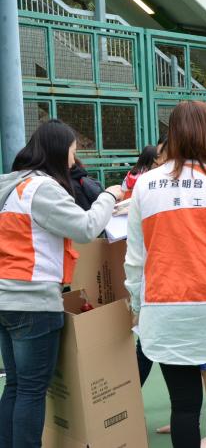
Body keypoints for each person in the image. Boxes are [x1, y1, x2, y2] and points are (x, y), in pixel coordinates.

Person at [124, 101, 206, 447]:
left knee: (183, 405)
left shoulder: (145, 183)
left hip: (166, 303)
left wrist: (137, 301)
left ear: (172, 134)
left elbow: (135, 254)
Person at [0, 120, 123, 448]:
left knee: (15, 386)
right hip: (33, 301)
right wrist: (109, 196)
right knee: (30, 390)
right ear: (58, 150)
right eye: (72, 150)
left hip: (6, 298)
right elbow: (85, 228)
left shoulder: (11, 186)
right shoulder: (43, 189)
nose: (74, 159)